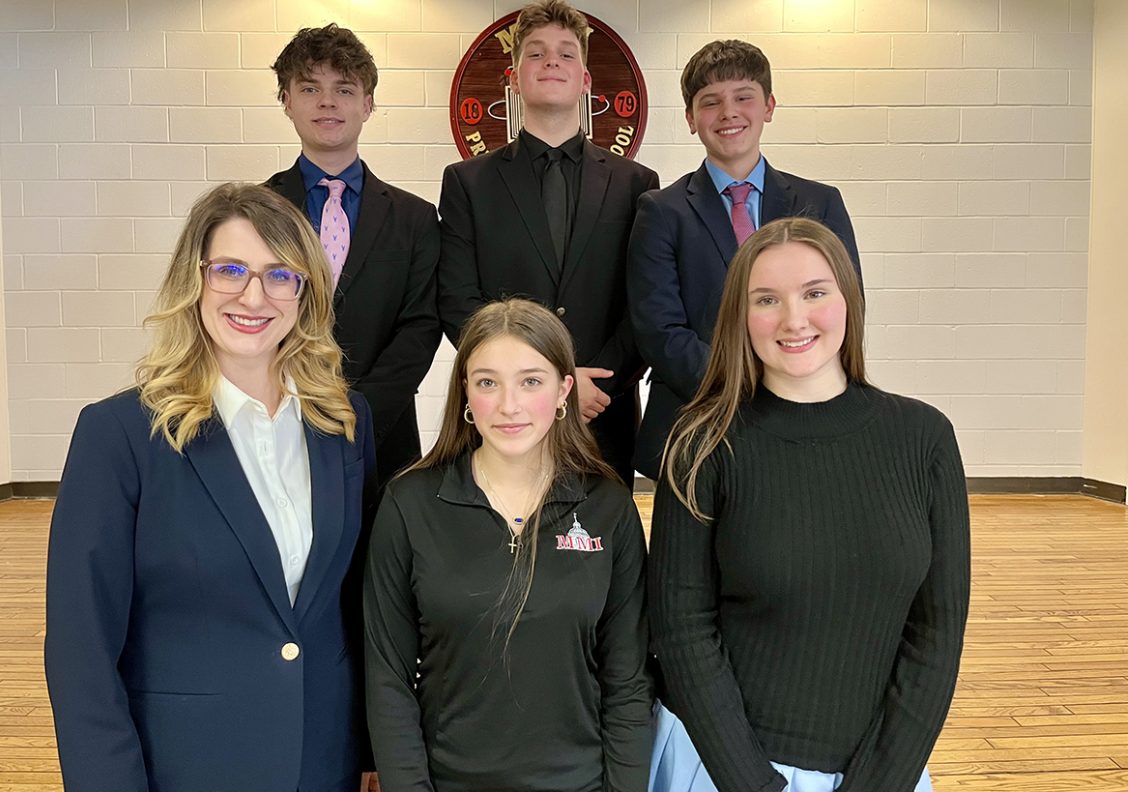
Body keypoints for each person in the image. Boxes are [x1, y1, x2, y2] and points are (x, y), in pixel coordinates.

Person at [44, 183, 378, 792]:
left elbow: (353, 605)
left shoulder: (344, 421)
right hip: (185, 766)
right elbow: (80, 650)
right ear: (193, 280)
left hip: (323, 761)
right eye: (231, 270)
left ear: (305, 294)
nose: (254, 295)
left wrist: (373, 753)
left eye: (281, 275)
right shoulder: (120, 434)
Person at [648, 218, 969, 792]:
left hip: (880, 773)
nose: (793, 319)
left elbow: (936, 635)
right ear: (741, 318)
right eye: (767, 299)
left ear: (849, 301)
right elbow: (681, 632)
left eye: (815, 293)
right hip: (723, 767)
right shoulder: (702, 443)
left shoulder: (924, 438)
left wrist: (881, 781)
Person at [364, 298, 652, 791]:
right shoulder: (410, 504)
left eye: (531, 381)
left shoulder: (608, 507)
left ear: (564, 390)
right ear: (466, 393)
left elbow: (627, 684)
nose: (509, 405)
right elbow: (387, 678)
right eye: (488, 382)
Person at [438, 0, 659, 486]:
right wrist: (540, 384)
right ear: (514, 80)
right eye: (535, 54)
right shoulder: (468, 182)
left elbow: (644, 302)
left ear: (585, 80)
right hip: (505, 412)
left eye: (565, 54)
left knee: (602, 554)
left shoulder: (636, 181)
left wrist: (592, 383)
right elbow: (458, 301)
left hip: (603, 410)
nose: (551, 61)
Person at [627, 39, 861, 480]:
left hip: (804, 414)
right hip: (694, 420)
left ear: (769, 106)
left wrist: (787, 388)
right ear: (691, 119)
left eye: (743, 97)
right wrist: (746, 389)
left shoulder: (820, 203)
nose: (728, 112)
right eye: (710, 102)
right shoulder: (661, 211)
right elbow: (660, 331)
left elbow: (845, 307)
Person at [266, 23, 441, 483]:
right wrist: (286, 401)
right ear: (287, 101)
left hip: (382, 434)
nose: (327, 101)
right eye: (310, 88)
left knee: (379, 553)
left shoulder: (415, 218)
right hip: (273, 420)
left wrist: (360, 412)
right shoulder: (254, 212)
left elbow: (420, 326)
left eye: (344, 88)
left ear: (367, 104)